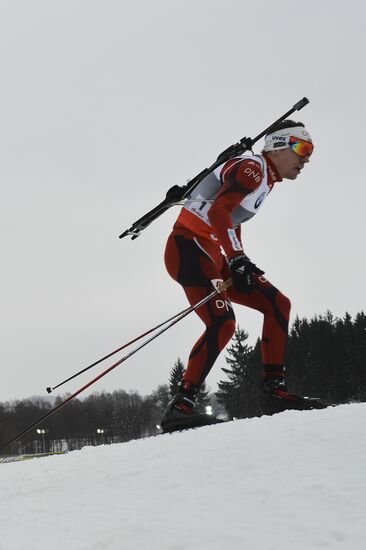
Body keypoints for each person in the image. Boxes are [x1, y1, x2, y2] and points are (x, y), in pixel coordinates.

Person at [161, 120, 324, 432]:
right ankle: (180, 406)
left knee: (277, 304)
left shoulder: (266, 180)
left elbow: (232, 220)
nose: (306, 158)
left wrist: (240, 260)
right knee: (223, 323)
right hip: (188, 247)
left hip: (212, 252)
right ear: (278, 146)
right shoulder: (252, 168)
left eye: (311, 152)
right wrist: (237, 259)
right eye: (302, 148)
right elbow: (218, 213)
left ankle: (274, 393)